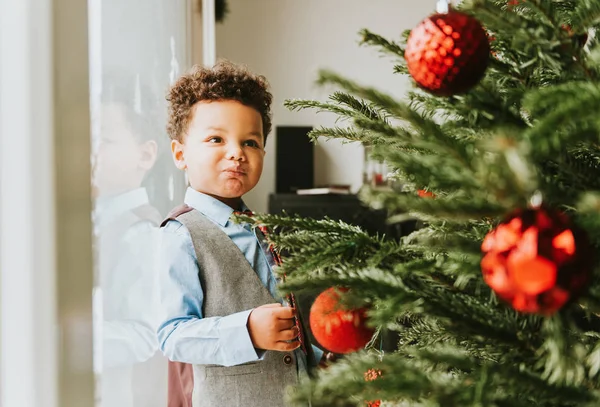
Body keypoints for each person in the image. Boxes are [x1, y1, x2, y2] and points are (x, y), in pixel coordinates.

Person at [156, 61, 325, 407]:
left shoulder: (263, 228)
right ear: (180, 153)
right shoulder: (180, 235)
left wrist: (321, 354)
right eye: (216, 139)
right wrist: (246, 330)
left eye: (250, 142)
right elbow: (172, 335)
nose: (236, 153)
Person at [92, 72, 169, 407]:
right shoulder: (90, 219)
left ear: (145, 155)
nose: (90, 151)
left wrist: (65, 341)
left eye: (104, 140)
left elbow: (143, 335)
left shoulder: (143, 233)